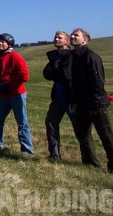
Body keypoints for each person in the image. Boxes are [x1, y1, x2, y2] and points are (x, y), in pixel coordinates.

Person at [69, 28, 113, 172]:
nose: (72, 37)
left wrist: (94, 103)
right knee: (82, 134)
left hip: (96, 104)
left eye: (76, 35)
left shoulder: (91, 57)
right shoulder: (74, 57)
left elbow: (98, 83)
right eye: (72, 35)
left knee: (106, 136)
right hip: (81, 104)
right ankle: (90, 163)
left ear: (85, 40)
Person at [0, 33, 33, 154]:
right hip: (3, 96)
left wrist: (8, 85)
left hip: (17, 94)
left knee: (22, 123)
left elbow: (25, 76)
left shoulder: (16, 57)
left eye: (3, 42)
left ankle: (27, 150)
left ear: (9, 44)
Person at [43, 30, 73, 162]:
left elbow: (65, 75)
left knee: (79, 128)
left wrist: (55, 71)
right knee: (51, 122)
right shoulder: (54, 57)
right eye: (55, 37)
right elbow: (46, 74)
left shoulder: (71, 56)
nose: (56, 40)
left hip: (71, 97)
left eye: (59, 38)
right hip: (57, 97)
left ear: (67, 41)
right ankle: (54, 155)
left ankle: (89, 160)